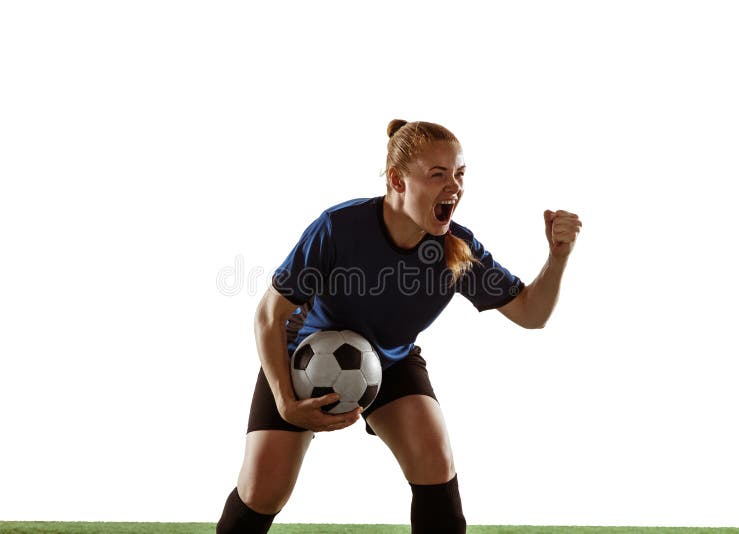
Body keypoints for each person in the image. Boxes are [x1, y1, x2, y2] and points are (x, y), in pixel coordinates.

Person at [216, 119, 582, 533]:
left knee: (435, 458)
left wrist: (558, 256)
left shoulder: (457, 251)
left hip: (389, 359)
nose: (455, 187)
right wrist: (283, 400)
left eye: (460, 174)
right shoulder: (338, 228)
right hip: (303, 357)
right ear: (397, 180)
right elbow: (270, 314)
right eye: (438, 175)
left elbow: (532, 314)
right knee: (264, 490)